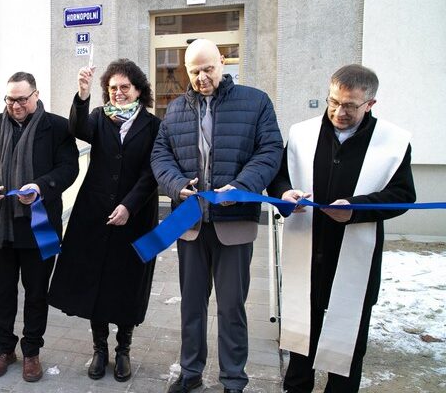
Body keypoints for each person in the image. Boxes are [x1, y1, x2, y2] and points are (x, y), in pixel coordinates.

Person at [267, 64, 415, 392]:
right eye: (333, 102)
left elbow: (403, 195)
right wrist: (284, 195)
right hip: (307, 251)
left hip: (352, 257)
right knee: (300, 338)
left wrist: (356, 210)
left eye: (350, 105)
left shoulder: (392, 142)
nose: (338, 111)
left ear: (370, 104)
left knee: (347, 346)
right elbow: (278, 177)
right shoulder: (302, 134)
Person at [151, 39, 283, 393]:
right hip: (190, 224)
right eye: (194, 71)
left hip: (234, 223)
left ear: (222, 62)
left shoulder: (255, 102)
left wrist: (240, 186)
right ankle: (190, 373)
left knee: (232, 309)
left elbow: (270, 151)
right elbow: (160, 156)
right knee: (191, 307)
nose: (201, 77)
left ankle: (233, 380)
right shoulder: (176, 109)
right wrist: (176, 184)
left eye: (207, 68)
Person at [49, 59, 161, 382]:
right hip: (95, 213)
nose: (119, 93)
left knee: (128, 281)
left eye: (125, 87)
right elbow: (77, 129)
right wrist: (82, 95)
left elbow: (151, 172)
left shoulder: (152, 126)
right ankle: (99, 348)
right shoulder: (99, 117)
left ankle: (123, 349)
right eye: (113, 88)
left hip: (136, 216)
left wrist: (129, 205)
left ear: (139, 89)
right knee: (95, 281)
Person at [0, 72, 78, 382]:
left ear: (36, 95)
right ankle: (4, 349)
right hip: (2, 227)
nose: (15, 105)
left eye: (21, 99)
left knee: (36, 293)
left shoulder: (56, 127)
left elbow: (69, 167)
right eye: (10, 99)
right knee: (2, 292)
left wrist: (41, 187)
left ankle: (32, 351)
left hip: (40, 225)